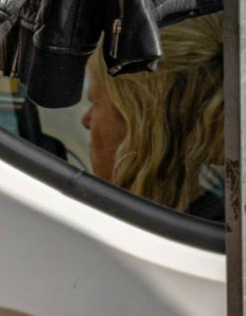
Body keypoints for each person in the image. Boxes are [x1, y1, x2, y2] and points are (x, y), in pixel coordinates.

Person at [83, 15, 226, 219]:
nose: (86, 121)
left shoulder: (175, 230)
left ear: (139, 124)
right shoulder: (222, 217)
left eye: (95, 103)